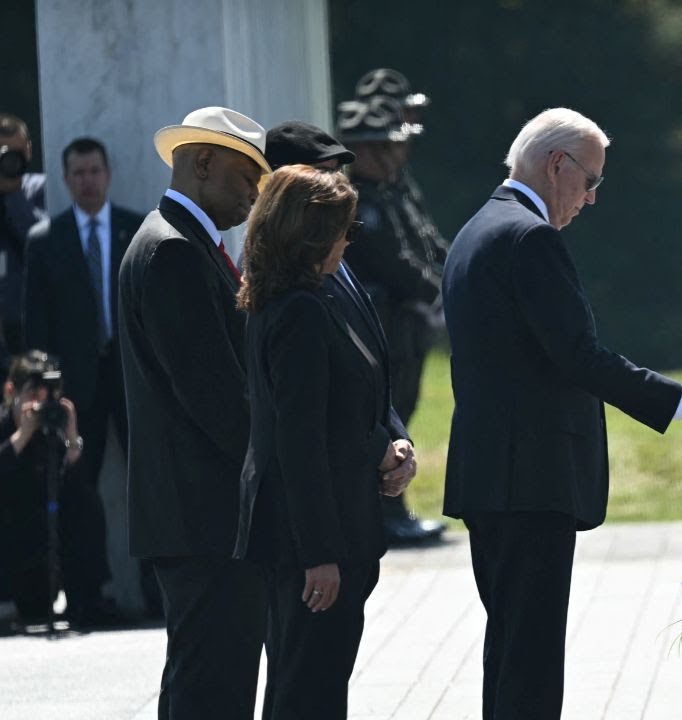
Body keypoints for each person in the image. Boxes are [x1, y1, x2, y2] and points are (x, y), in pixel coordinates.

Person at [442, 107, 682, 720]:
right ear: (557, 166)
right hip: (529, 478)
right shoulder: (531, 237)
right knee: (529, 658)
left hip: (491, 475)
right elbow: (577, 356)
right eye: (591, 181)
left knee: (509, 649)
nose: (590, 199)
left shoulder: (476, 228)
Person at [118, 106, 271, 720]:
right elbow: (215, 400)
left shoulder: (175, 241)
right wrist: (275, 473)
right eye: (247, 179)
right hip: (203, 515)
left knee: (204, 680)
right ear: (204, 161)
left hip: (197, 514)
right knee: (212, 686)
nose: (255, 197)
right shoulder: (175, 251)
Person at [234, 165, 401, 719]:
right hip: (311, 537)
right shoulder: (300, 312)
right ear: (312, 237)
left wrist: (385, 443)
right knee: (309, 691)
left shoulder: (287, 301)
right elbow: (301, 441)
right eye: (340, 230)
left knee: (305, 684)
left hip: (313, 530)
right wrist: (320, 555)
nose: (347, 243)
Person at [263, 120, 421, 521]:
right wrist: (378, 448)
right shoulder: (284, 280)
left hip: (359, 493)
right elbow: (310, 413)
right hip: (326, 502)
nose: (339, 185)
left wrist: (399, 440)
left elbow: (370, 370)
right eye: (325, 173)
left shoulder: (338, 258)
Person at [23, 137, 144, 625]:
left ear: (108, 173)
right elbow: (37, 323)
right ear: (66, 179)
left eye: (95, 171)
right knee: (79, 491)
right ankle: (86, 597)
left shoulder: (134, 230)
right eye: (78, 173)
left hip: (132, 377)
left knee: (152, 482)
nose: (87, 181)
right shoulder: (46, 239)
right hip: (77, 385)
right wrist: (46, 387)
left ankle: (159, 592)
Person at [337, 90, 447, 546]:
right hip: (381, 324)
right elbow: (393, 263)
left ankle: (391, 509)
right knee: (386, 420)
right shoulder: (361, 202)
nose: (392, 155)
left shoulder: (389, 193)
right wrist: (439, 289)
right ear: (360, 151)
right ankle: (386, 512)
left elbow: (424, 243)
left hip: (402, 325)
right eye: (380, 147)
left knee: (400, 418)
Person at [0, 350, 81, 630]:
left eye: (47, 391)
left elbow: (70, 485)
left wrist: (71, 438)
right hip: (8, 545)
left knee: (86, 504)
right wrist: (22, 435)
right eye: (33, 391)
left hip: (38, 549)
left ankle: (86, 600)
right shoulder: (4, 424)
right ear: (11, 390)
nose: (41, 400)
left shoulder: (51, 430)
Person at [0, 113, 46, 353]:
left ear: (29, 150)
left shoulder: (39, 189)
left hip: (29, 328)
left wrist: (14, 194)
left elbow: (39, 243)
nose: (9, 161)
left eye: (15, 153)